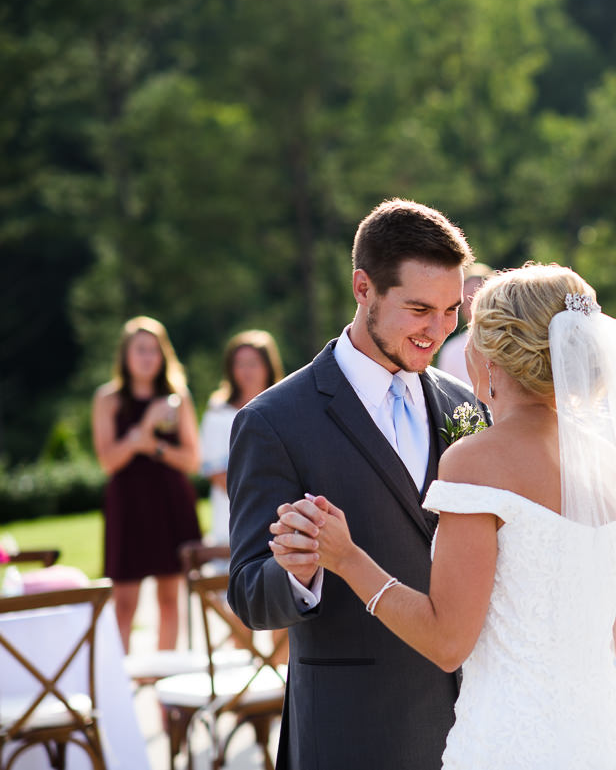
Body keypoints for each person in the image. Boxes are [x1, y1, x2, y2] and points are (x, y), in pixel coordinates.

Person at [273, 264, 616, 769]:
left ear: (491, 355)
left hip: (511, 743)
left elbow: (447, 644)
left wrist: (347, 556)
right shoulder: (611, 465)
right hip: (605, 741)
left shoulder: (476, 460)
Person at [226, 199, 481, 770]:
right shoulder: (274, 421)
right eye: (419, 309)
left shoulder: (465, 406)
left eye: (449, 312)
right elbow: (248, 594)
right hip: (352, 730)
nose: (438, 330)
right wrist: (298, 571)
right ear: (363, 287)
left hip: (474, 723)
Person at [91, 315, 202, 652]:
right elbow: (108, 460)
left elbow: (192, 460)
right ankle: (121, 684)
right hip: (128, 505)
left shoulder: (176, 398)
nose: (147, 357)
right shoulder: (108, 399)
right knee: (124, 602)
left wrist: (151, 444)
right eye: (140, 349)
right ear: (125, 355)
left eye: (154, 349)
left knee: (170, 599)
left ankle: (163, 682)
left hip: (170, 503)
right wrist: (143, 429)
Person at [199, 330, 284, 545]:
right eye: (240, 363)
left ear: (268, 365)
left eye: (253, 363)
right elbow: (217, 473)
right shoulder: (218, 413)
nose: (246, 371)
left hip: (282, 516)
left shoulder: (285, 407)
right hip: (234, 516)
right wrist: (259, 502)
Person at [437, 262, 493, 384]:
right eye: (468, 301)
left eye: (477, 300)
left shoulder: (507, 343)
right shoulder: (451, 350)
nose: (473, 307)